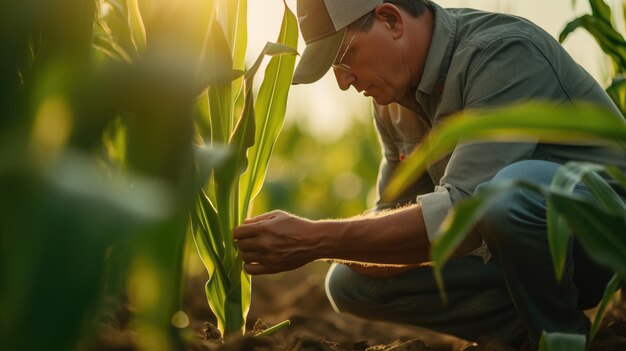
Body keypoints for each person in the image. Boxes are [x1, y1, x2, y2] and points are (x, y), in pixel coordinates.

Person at [233, 0, 626, 348]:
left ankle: (559, 338)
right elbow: (392, 219)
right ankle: (519, 337)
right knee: (350, 283)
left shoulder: (501, 53)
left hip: (604, 238)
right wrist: (322, 245)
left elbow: (465, 214)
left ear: (390, 19)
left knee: (506, 197)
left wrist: (315, 239)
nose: (344, 81)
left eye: (344, 56)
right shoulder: (391, 102)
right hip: (523, 254)